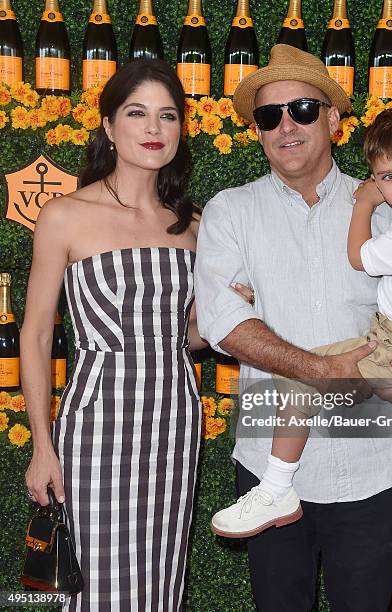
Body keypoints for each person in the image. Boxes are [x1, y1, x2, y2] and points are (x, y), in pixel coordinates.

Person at [194, 44, 392, 612]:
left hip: (376, 459)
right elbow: (223, 321)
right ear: (257, 131)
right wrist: (321, 370)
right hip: (267, 460)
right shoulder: (231, 211)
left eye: (302, 108)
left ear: (333, 119)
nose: (285, 125)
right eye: (268, 115)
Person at [21, 59, 205, 611]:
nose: (154, 129)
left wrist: (236, 309)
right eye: (137, 113)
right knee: (94, 581)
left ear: (180, 129)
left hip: (175, 418)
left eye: (167, 116)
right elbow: (34, 336)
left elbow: (187, 336)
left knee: (162, 574)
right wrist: (41, 445)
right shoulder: (64, 216)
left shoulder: (192, 223)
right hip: (98, 421)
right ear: (108, 125)